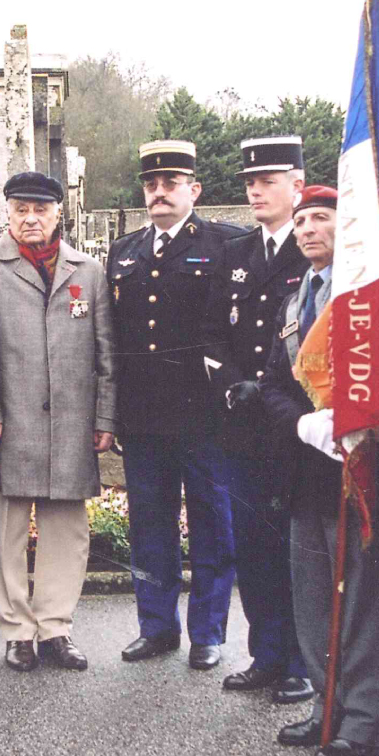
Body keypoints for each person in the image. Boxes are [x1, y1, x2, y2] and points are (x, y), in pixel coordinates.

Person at [258, 185, 379, 756]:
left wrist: (349, 422)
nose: (309, 228)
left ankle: (364, 724)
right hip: (308, 464)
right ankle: (328, 704)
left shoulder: (374, 294)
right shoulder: (295, 300)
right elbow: (271, 382)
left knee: (360, 598)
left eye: (323, 218)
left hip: (359, 467)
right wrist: (307, 424)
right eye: (304, 219)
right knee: (312, 594)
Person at [0, 170, 115, 672]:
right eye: (21, 210)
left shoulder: (89, 271)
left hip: (73, 420)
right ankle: (17, 631)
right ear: (8, 213)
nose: (31, 219)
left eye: (41, 210)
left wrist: (105, 417)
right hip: (12, 419)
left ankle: (55, 626)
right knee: (8, 527)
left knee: (66, 529)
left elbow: (106, 354)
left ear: (59, 214)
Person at [109, 140, 242, 669]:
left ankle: (207, 632)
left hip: (205, 417)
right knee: (150, 526)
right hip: (144, 418)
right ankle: (157, 626)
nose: (159, 193)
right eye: (151, 185)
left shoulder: (226, 244)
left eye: (171, 184)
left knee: (212, 524)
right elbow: (116, 339)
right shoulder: (125, 252)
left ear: (194, 189)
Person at [208, 135, 313, 702]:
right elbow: (210, 331)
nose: (256, 190)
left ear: (298, 185)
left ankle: (301, 660)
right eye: (251, 181)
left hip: (294, 423)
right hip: (243, 422)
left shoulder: (314, 248)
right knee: (251, 545)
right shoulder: (237, 253)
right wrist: (229, 384)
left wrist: (270, 389)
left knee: (295, 548)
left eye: (269, 180)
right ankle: (266, 654)